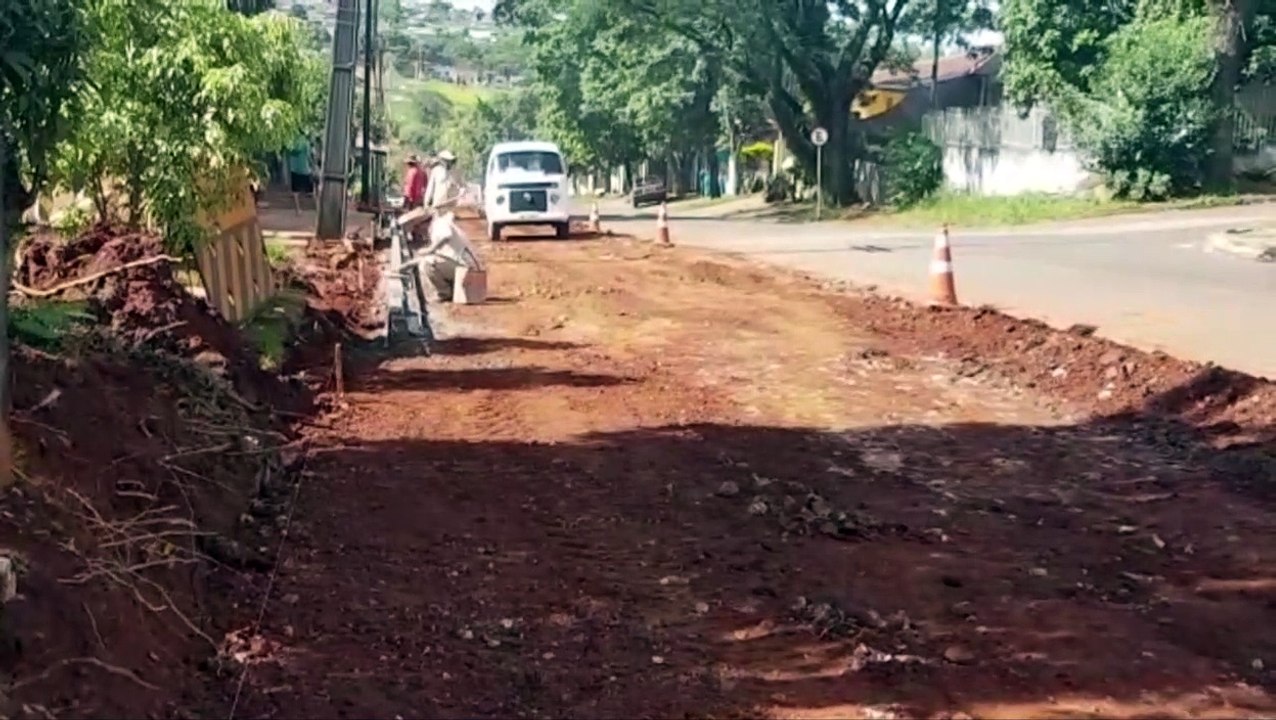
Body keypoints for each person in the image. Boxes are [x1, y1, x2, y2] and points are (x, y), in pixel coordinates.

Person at [419, 210, 482, 302]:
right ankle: (452, 289)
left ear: (423, 223)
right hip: (462, 264)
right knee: (429, 261)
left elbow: (446, 235)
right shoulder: (437, 227)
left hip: (467, 267)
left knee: (427, 264)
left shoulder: (439, 224)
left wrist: (431, 249)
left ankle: (445, 293)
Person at [285, 134, 315, 214]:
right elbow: (308, 156)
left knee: (295, 191)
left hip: (294, 168)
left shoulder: (292, 141)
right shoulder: (306, 142)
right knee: (310, 191)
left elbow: (289, 152)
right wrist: (313, 165)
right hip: (305, 169)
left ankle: (298, 209)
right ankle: (318, 208)